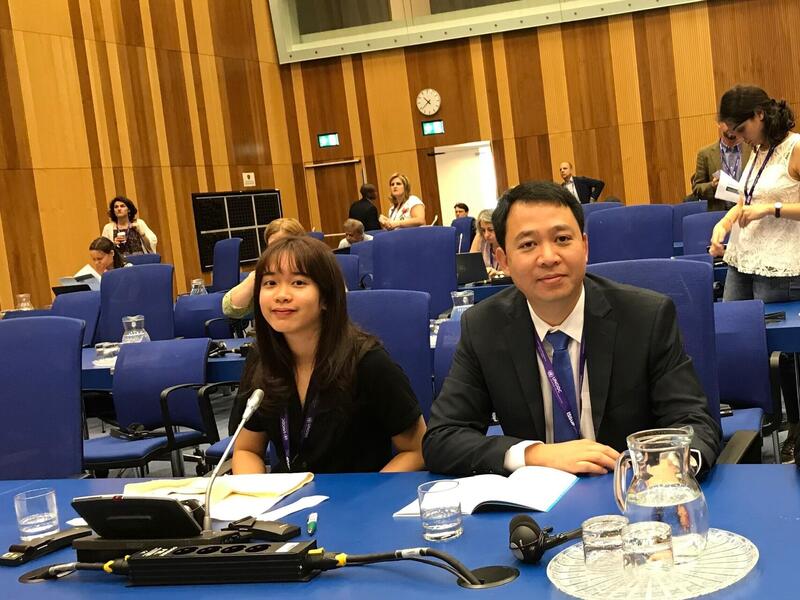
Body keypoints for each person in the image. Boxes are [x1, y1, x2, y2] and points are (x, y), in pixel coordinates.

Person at [423, 181, 721, 476]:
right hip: (538, 509)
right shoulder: (484, 327)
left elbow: (693, 422)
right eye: (528, 244)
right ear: (504, 261)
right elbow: (442, 438)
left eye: (563, 239)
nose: (549, 257)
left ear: (585, 246)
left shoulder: (646, 317)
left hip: (631, 494)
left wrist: (666, 472)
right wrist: (534, 454)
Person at [231, 236, 427, 474]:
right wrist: (258, 499)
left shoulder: (368, 362)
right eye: (270, 283)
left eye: (298, 283)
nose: (281, 295)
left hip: (356, 502)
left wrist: (369, 499)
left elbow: (416, 450)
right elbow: (246, 449)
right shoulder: (261, 359)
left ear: (326, 297)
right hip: (285, 503)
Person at [709, 84, 800, 462]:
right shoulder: (759, 150)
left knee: (781, 353)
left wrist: (772, 210)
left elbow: (764, 205)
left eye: (739, 128)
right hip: (741, 262)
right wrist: (724, 225)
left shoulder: (794, 148)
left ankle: (793, 428)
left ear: (759, 115)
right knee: (733, 345)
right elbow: (747, 200)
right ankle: (756, 431)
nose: (736, 137)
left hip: (780, 266)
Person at [222, 218, 306, 320]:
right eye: (272, 247)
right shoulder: (263, 274)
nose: (277, 251)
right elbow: (230, 309)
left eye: (283, 245)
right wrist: (256, 277)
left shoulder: (313, 269)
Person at [691, 121, 752, 211]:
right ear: (719, 123)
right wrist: (712, 186)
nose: (731, 127)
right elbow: (697, 189)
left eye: (734, 122)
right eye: (727, 122)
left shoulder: (753, 150)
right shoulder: (705, 154)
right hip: (719, 215)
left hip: (749, 212)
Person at [468, 208, 504, 278]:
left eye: (490, 230)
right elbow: (470, 265)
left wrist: (498, 273)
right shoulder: (480, 237)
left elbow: (518, 271)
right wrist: (483, 271)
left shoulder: (509, 240)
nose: (486, 235)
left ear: (500, 227)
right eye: (483, 230)